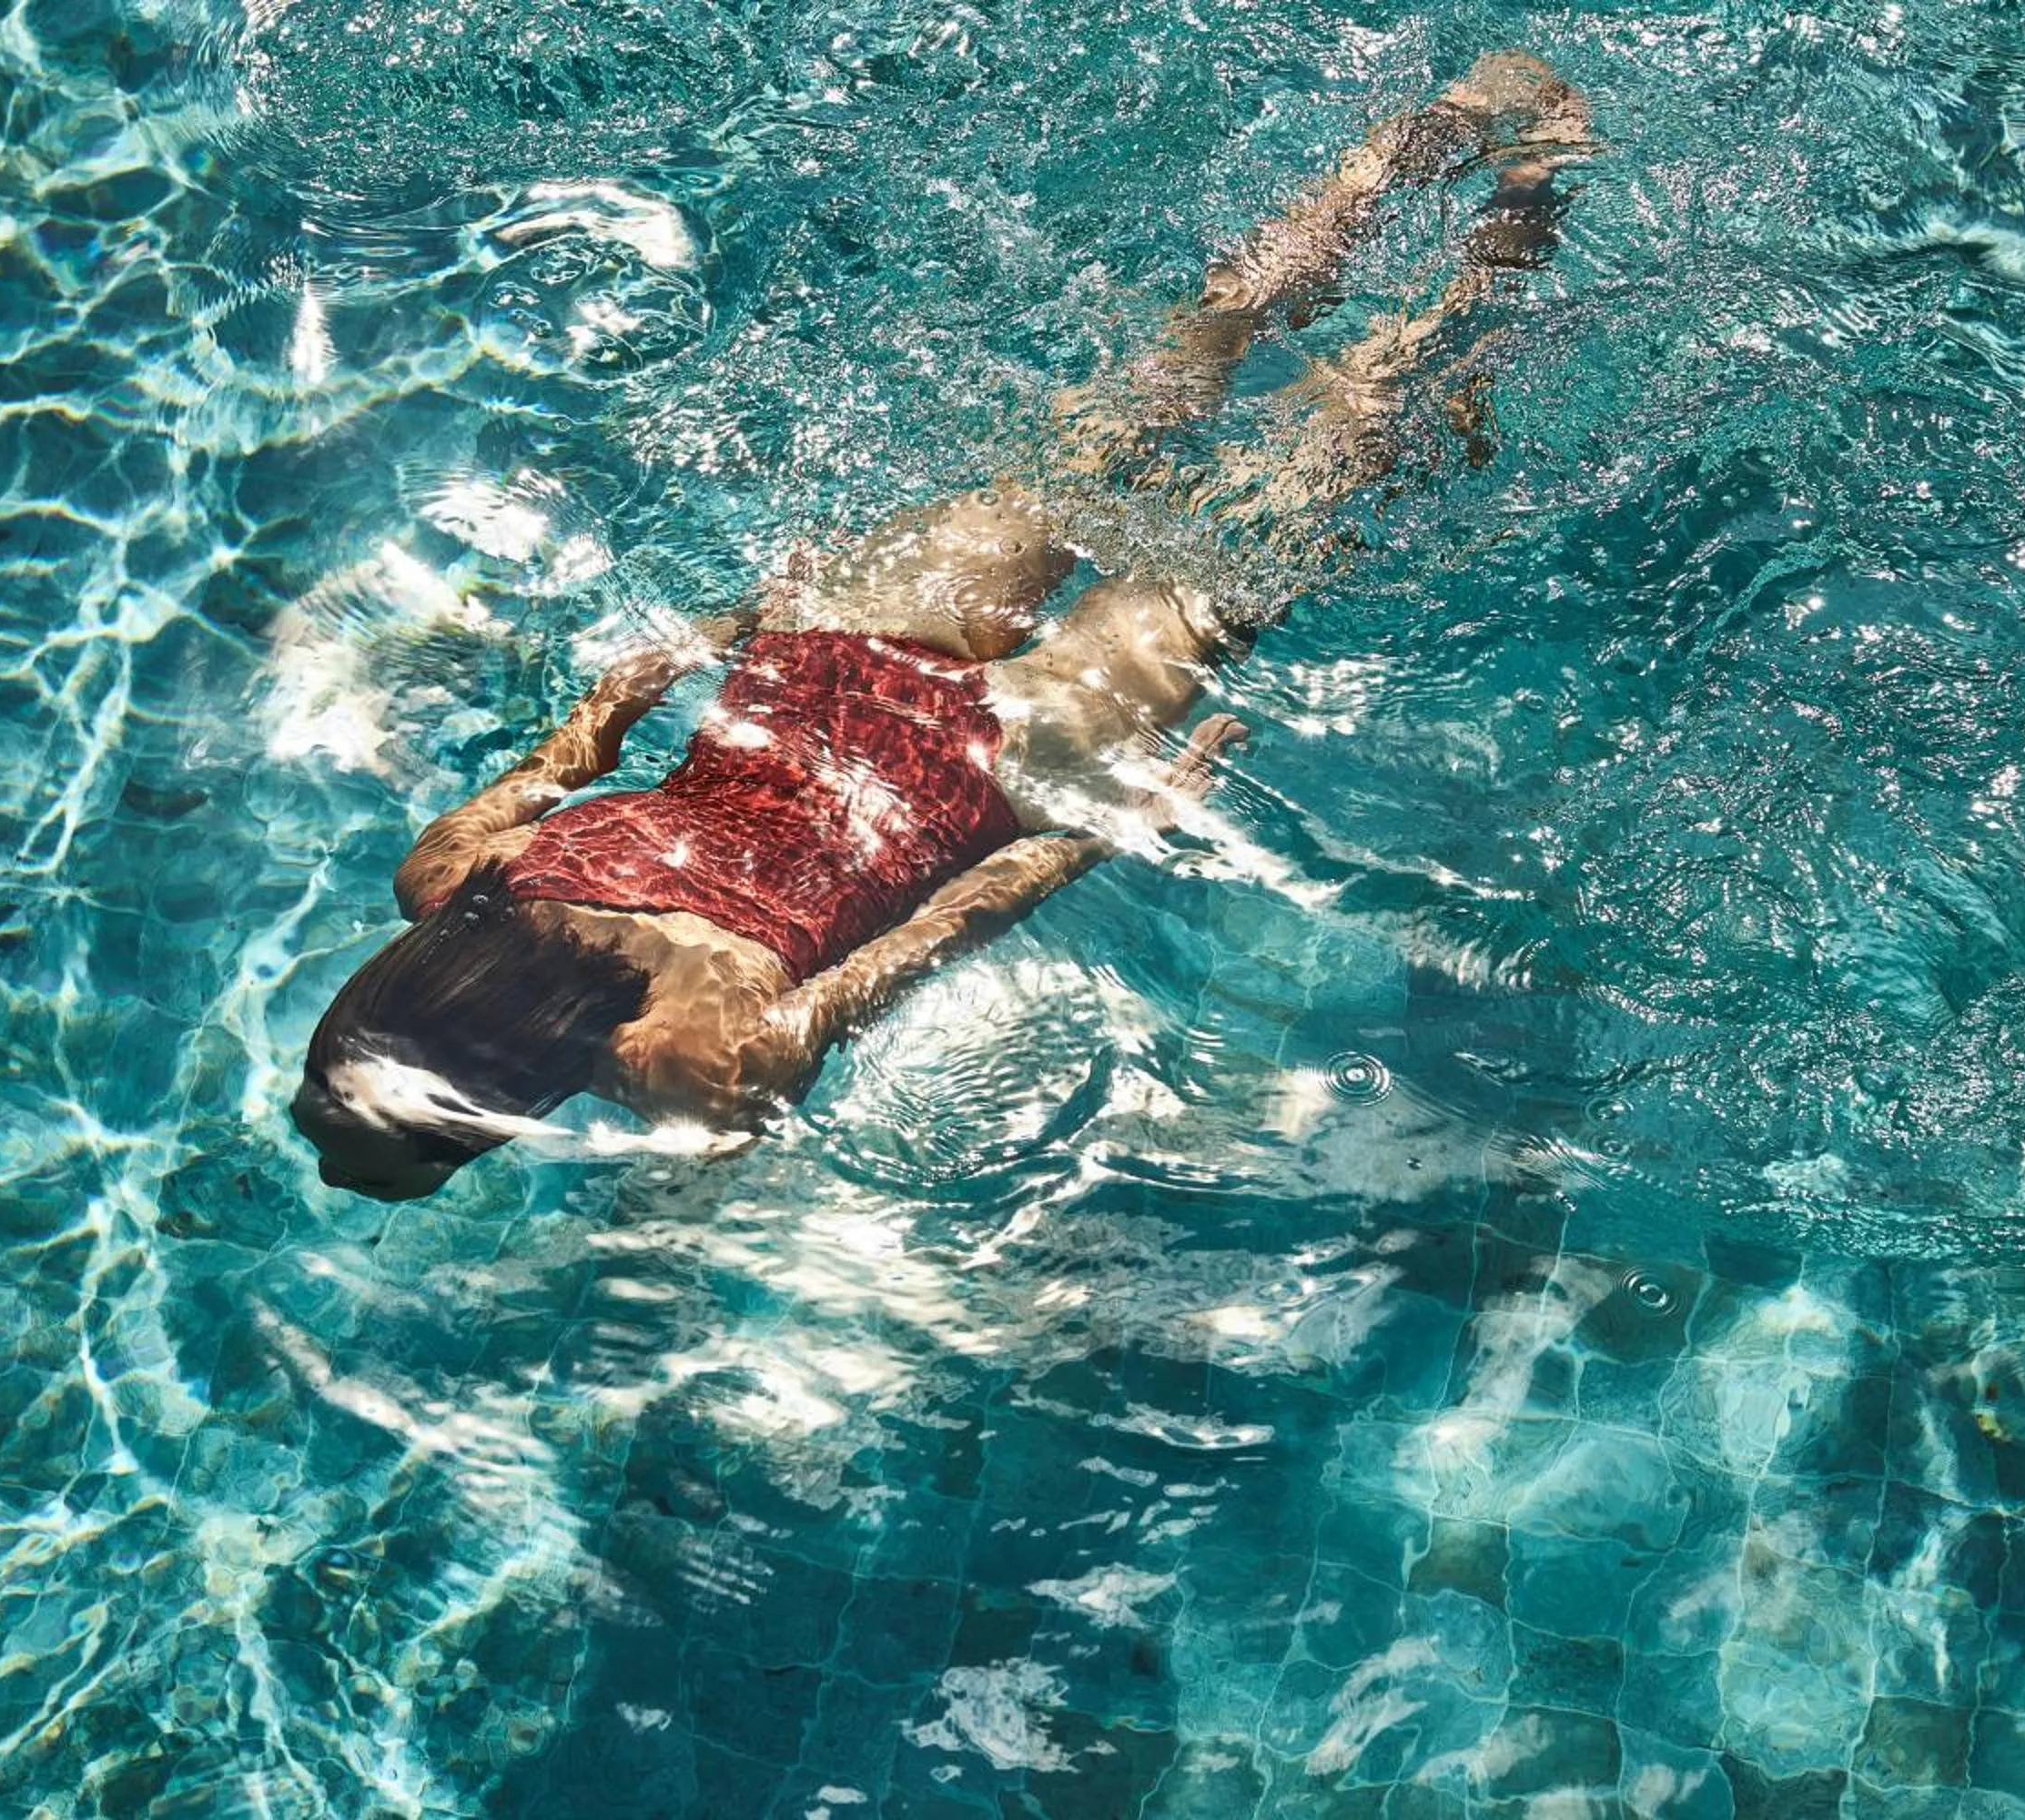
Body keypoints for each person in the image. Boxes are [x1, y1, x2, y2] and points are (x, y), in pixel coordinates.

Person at [294, 55, 1597, 1199]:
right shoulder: (446, 881)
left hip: (985, 775)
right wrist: (740, 623)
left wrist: (1106, 825)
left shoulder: (693, 1076)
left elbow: (934, 933)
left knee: (1333, 462)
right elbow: (599, 719)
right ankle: (1437, 125)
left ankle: (1532, 199)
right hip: (819, 672)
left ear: (503, 1106)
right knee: (1180, 358)